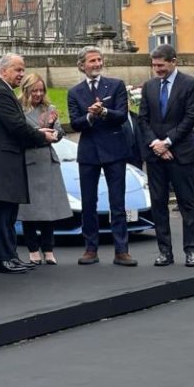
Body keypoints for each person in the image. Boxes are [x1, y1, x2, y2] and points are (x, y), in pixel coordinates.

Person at [0, 54, 56, 274]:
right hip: (1, 165)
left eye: (23, 70)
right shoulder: (0, 93)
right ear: (3, 71)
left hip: (6, 163)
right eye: (17, 70)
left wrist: (38, 132)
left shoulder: (3, 91)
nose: (21, 74)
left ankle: (10, 256)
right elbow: (17, 127)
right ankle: (2, 260)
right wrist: (42, 136)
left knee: (9, 214)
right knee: (3, 215)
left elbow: (17, 126)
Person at [66, 46, 137, 267]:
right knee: (89, 202)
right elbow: (75, 122)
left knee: (118, 202)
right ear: (82, 65)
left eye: (99, 60)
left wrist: (103, 112)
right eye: (92, 61)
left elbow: (122, 115)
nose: (96, 64)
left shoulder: (115, 86)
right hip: (88, 152)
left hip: (115, 151)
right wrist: (90, 115)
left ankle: (121, 250)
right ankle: (90, 249)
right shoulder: (74, 92)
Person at [136, 44, 194, 268]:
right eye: (154, 65)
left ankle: (191, 250)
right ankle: (164, 251)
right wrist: (155, 143)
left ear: (173, 61)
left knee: (187, 204)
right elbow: (143, 119)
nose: (157, 69)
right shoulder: (149, 87)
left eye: (161, 65)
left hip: (182, 154)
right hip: (156, 156)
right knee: (158, 203)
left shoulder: (190, 84)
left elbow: (191, 117)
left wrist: (168, 142)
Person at [16, 73, 70, 266]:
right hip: (29, 160)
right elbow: (18, 134)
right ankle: (32, 250)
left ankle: (48, 249)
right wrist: (39, 134)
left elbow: (60, 133)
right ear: (26, 90)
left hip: (48, 161)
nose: (38, 94)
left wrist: (55, 132)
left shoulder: (50, 109)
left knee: (49, 209)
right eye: (34, 90)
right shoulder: (18, 109)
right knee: (30, 210)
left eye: (41, 90)